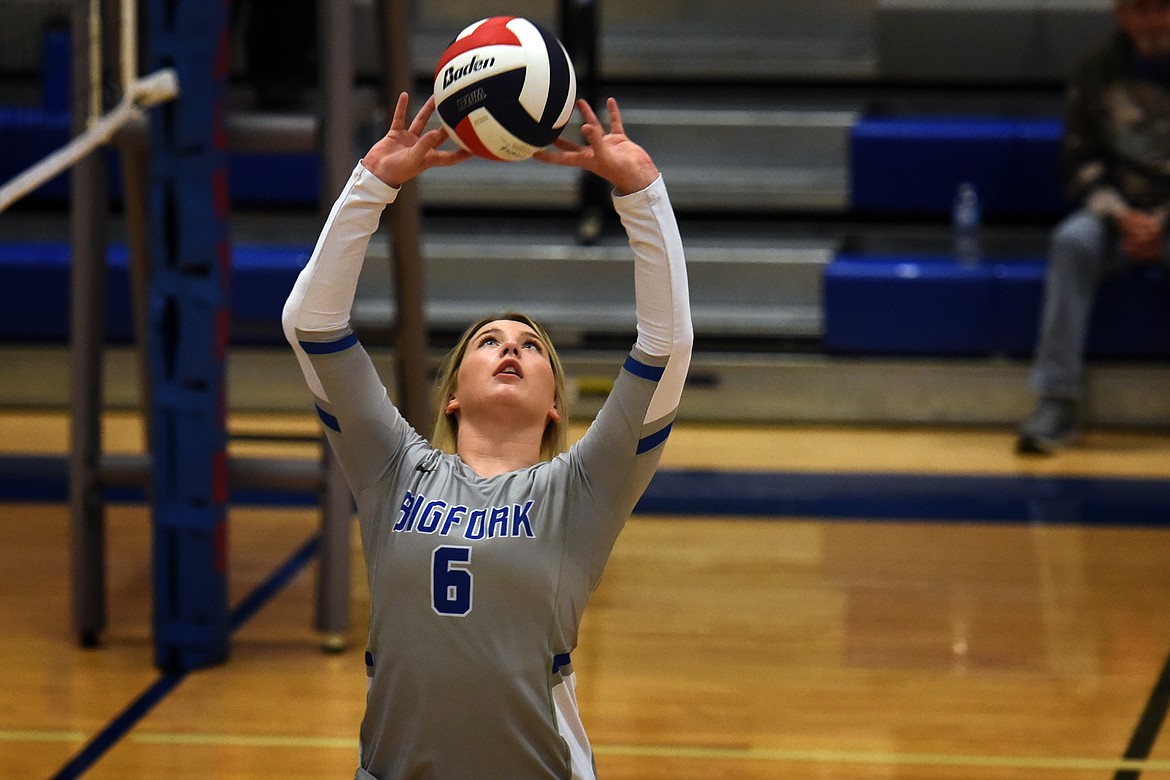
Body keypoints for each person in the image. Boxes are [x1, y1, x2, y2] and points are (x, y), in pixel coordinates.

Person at [281, 92, 692, 779]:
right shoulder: (393, 470)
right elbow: (311, 325)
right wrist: (371, 186)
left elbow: (666, 347)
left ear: (555, 403)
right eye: (489, 341)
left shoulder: (582, 491)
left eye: (532, 346)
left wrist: (643, 196)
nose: (511, 349)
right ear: (450, 393)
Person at [1018, 0, 1170, 454]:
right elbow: (1079, 162)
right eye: (1138, 11)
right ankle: (1057, 401)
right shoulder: (1095, 71)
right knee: (1070, 242)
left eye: (1161, 9)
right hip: (1118, 214)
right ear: (1121, 15)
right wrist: (1123, 216)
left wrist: (1162, 222)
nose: (1151, 22)